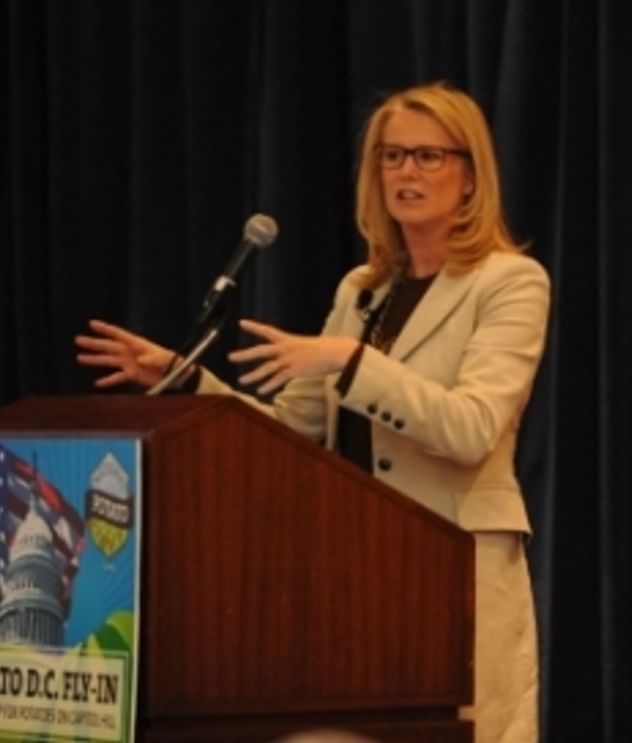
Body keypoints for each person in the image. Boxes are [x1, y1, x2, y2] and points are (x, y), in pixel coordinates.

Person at [76, 81, 547, 742]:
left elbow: (470, 428)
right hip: (355, 570)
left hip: (454, 565)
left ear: (470, 176)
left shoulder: (511, 282)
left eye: (428, 156)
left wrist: (351, 360)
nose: (405, 172)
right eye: (391, 156)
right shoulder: (363, 289)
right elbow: (291, 435)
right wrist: (185, 381)